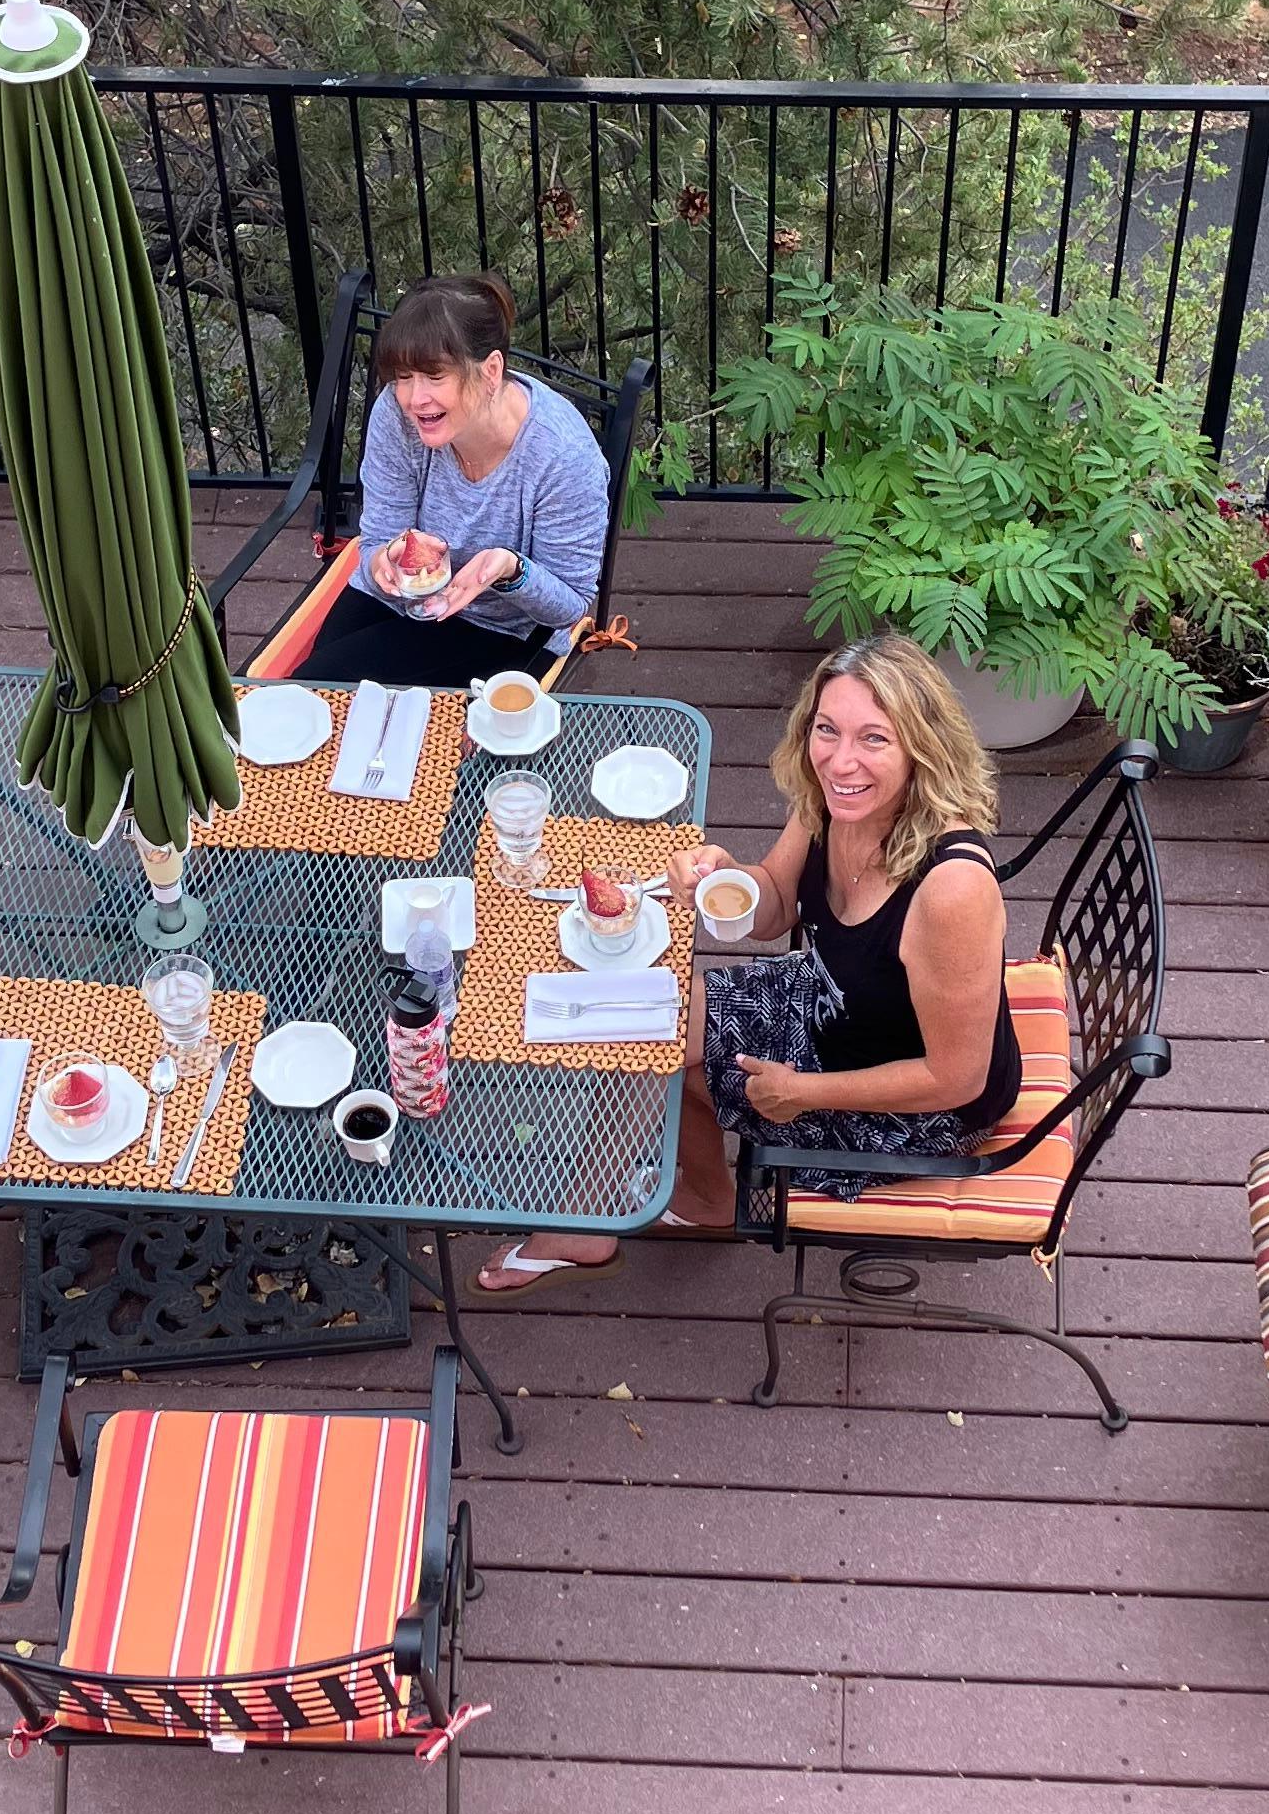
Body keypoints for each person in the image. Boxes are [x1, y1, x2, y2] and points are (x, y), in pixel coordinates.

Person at [471, 632, 1022, 1295]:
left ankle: (593, 1218)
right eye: (827, 729)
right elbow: (776, 905)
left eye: (874, 738)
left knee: (673, 1057)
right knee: (660, 1016)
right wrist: (723, 875)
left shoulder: (953, 889)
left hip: (919, 1104)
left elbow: (958, 1076)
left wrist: (805, 1092)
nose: (841, 759)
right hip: (834, 1008)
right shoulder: (836, 797)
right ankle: (683, 1202)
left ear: (921, 749)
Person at [297, 273, 612, 688]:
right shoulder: (396, 413)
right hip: (401, 597)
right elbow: (377, 540)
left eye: (435, 377)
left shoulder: (563, 456)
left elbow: (570, 606)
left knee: (327, 686)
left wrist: (510, 571)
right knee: (312, 686)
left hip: (501, 626)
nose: (414, 398)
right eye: (403, 377)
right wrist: (383, 562)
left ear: (491, 371)